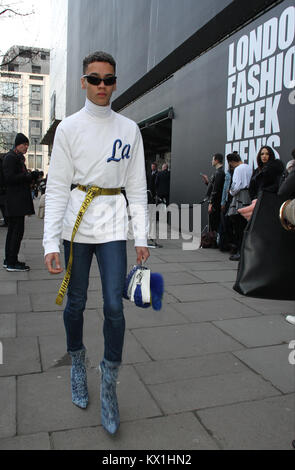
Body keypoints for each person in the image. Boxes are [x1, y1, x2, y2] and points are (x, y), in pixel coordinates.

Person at [43, 51, 149, 435]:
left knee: (114, 309)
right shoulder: (69, 129)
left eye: (108, 79)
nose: (102, 85)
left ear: (115, 82)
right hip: (75, 229)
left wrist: (142, 235)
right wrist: (49, 244)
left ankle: (108, 381)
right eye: (94, 78)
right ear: (83, 82)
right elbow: (56, 188)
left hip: (113, 228)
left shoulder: (130, 129)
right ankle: (76, 362)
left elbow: (137, 186)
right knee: (74, 302)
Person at [2, 133, 38, 272]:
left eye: (27, 145)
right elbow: (10, 178)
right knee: (16, 232)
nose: (26, 147)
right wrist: (28, 176)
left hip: (16, 201)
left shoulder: (15, 157)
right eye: (25, 145)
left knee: (14, 232)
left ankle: (10, 259)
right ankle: (12, 262)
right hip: (15, 201)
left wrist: (29, 176)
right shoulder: (11, 158)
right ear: (18, 144)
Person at [226, 152, 252, 261]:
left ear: (231, 162)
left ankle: (240, 251)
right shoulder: (249, 167)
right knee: (245, 225)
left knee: (238, 226)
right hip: (248, 196)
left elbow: (236, 186)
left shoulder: (238, 169)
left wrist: (230, 192)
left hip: (239, 197)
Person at [201, 153, 225, 234]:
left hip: (215, 204)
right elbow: (214, 187)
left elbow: (216, 190)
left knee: (214, 223)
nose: (211, 161)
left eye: (213, 159)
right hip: (215, 203)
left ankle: (212, 241)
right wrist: (208, 182)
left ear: (217, 160)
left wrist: (211, 203)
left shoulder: (219, 173)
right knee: (212, 223)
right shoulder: (218, 172)